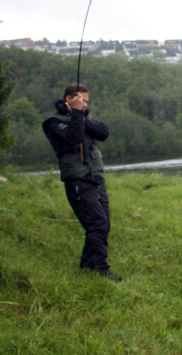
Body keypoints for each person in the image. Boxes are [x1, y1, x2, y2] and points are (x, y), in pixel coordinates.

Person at [42, 83, 122, 281]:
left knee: (103, 223)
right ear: (69, 99)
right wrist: (77, 114)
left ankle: (87, 265)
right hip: (78, 179)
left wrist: (83, 114)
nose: (85, 105)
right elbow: (73, 137)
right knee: (97, 223)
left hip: (95, 177)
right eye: (81, 101)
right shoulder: (53, 123)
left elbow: (103, 132)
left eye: (86, 102)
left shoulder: (83, 116)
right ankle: (100, 268)